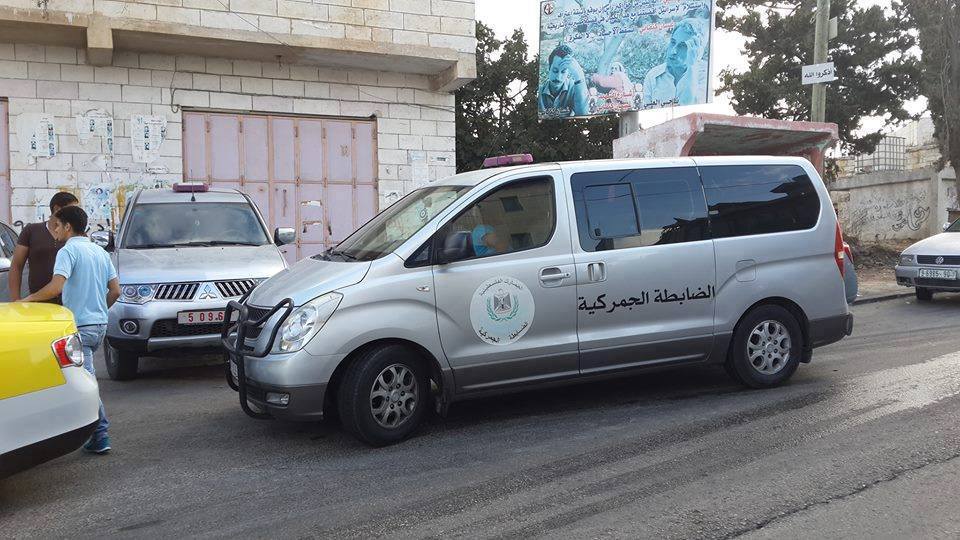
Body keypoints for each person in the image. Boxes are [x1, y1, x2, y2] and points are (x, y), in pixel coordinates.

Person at [24, 206, 120, 455]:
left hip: (79, 327)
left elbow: (56, 287)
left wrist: (28, 299)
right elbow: (115, 291)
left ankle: (100, 435)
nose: (54, 230)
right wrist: (100, 311)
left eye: (57, 225)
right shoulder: (100, 252)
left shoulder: (67, 251)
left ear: (68, 227)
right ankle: (84, 431)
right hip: (99, 326)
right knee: (81, 379)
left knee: (86, 382)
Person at [7, 192, 79, 302]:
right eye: (71, 210)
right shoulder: (31, 230)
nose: (75, 214)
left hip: (70, 302)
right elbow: (17, 265)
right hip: (38, 302)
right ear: (57, 209)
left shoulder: (76, 234)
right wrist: (15, 299)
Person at [641, 18, 708, 108]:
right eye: (673, 42)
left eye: (682, 46)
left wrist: (692, 65)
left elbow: (688, 106)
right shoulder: (653, 76)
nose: (673, 51)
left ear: (697, 49)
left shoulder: (706, 75)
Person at [538, 44, 590, 117]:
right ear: (549, 68)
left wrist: (579, 75)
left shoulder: (574, 89)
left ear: (568, 72)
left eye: (563, 72)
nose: (558, 77)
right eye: (555, 71)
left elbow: (583, 114)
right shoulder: (539, 91)